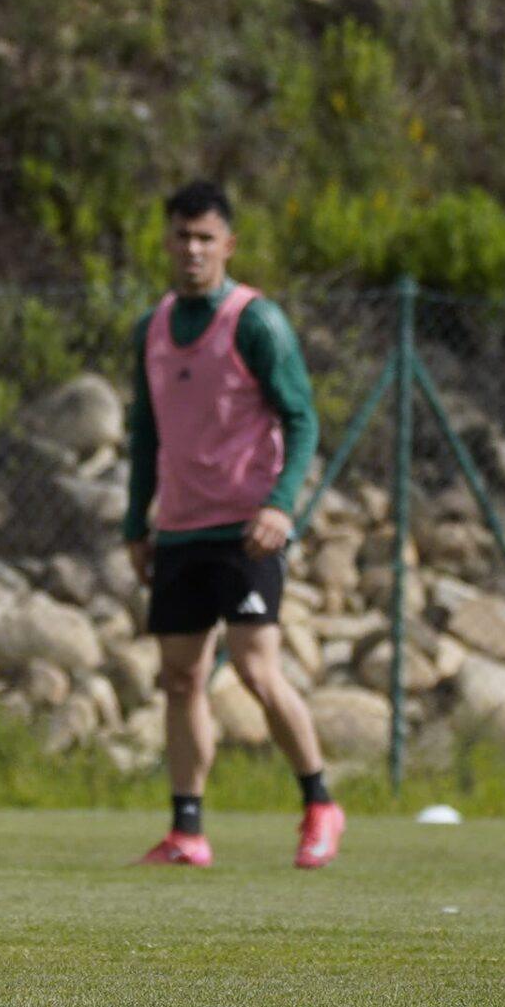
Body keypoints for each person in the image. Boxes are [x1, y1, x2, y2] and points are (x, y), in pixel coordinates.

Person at [125, 181, 342, 869]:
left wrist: (281, 504)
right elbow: (147, 432)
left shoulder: (256, 321)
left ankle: (319, 801)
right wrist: (138, 521)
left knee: (255, 667)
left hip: (249, 528)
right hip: (181, 530)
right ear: (167, 240)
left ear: (228, 245)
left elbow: (302, 417)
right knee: (181, 678)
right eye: (182, 235)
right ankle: (187, 829)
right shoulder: (153, 328)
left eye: (205, 237)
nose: (192, 249)